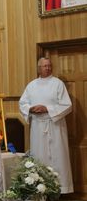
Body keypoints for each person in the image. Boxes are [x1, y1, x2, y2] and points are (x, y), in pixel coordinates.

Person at [19, 57, 73, 193]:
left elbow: (67, 105)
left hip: (54, 126)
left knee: (57, 157)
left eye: (49, 65)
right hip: (37, 127)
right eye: (44, 66)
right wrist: (30, 109)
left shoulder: (58, 84)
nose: (47, 68)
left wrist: (47, 108)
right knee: (39, 157)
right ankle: (40, 188)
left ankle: (61, 189)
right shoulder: (31, 85)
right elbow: (22, 104)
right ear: (39, 68)